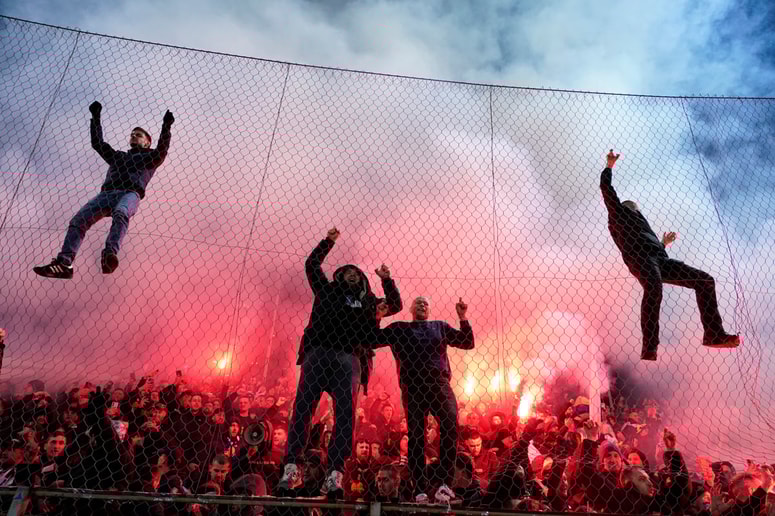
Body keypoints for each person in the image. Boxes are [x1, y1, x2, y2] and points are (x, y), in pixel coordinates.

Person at [277, 227, 402, 498]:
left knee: (345, 416)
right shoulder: (327, 290)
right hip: (318, 354)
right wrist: (328, 241)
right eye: (347, 271)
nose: (352, 273)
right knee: (302, 410)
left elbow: (396, 304)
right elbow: (311, 265)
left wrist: (387, 280)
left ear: (363, 280)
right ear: (339, 275)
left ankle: (335, 473)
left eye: (357, 272)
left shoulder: (368, 301)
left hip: (349, 359)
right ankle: (291, 468)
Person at [600, 149, 739, 360]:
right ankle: (650, 347)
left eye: (637, 209)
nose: (637, 209)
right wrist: (609, 166)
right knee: (654, 287)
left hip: (659, 259)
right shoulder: (618, 213)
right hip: (640, 258)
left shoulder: (643, 224)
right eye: (633, 207)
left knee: (705, 280)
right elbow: (606, 189)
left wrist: (663, 244)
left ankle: (714, 334)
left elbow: (651, 246)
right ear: (625, 208)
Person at [33, 101, 174, 278]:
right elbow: (98, 143)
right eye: (132, 134)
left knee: (121, 212)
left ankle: (110, 254)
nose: (133, 136)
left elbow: (161, 151)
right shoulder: (118, 156)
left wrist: (166, 126)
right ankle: (64, 264)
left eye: (138, 135)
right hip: (106, 194)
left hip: (130, 193)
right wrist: (96, 117)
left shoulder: (150, 158)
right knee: (79, 220)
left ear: (147, 142)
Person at [375, 296, 473, 501]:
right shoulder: (399, 328)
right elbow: (372, 339)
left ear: (429, 310)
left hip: (439, 383)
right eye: (418, 302)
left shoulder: (440, 326)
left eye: (426, 303)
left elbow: (467, 342)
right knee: (416, 435)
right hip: (413, 386)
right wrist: (378, 316)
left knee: (450, 424)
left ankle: (444, 484)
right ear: (411, 309)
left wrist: (462, 317)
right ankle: (419, 488)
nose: (422, 305)